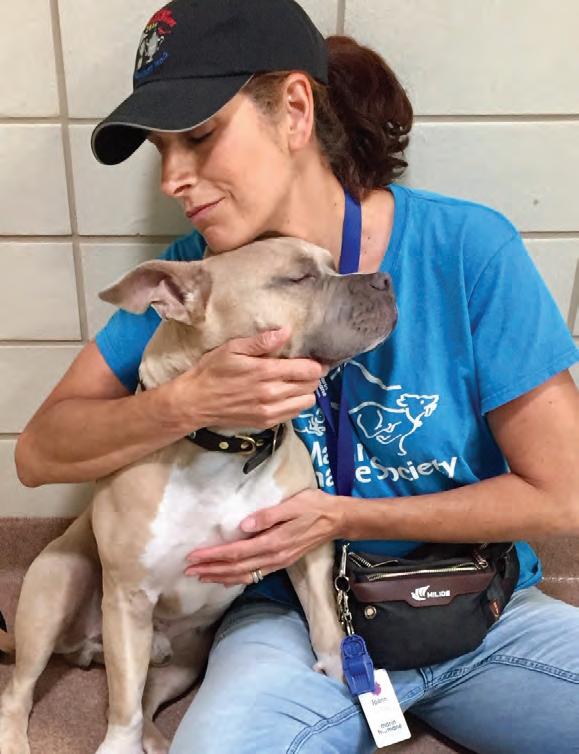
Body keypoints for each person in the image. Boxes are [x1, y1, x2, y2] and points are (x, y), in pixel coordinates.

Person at [15, 1, 579, 752]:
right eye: (160, 151)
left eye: (199, 136)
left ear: (293, 110)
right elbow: (39, 453)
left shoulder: (464, 247)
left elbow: (563, 496)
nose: (172, 179)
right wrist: (183, 403)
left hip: (477, 597)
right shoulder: (195, 285)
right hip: (284, 616)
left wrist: (340, 517)